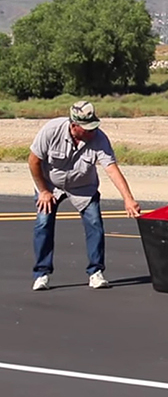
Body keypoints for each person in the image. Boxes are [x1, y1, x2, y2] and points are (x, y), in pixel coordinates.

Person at [28, 101, 141, 290]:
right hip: (50, 185)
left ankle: (96, 272)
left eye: (94, 127)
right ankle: (42, 274)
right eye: (87, 129)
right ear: (74, 126)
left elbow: (111, 169)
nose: (92, 132)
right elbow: (33, 162)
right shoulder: (51, 130)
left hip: (83, 187)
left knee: (95, 223)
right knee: (43, 224)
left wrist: (128, 198)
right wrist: (44, 191)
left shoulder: (99, 139)